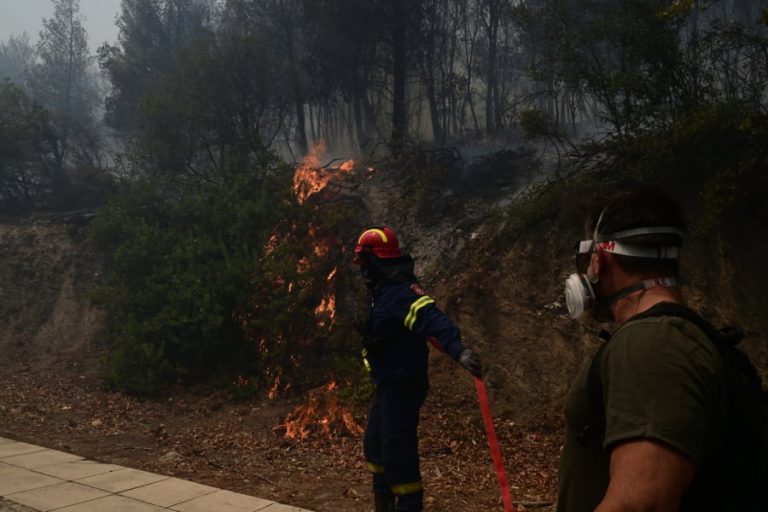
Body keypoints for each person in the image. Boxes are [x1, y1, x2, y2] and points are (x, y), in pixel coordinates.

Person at [558, 188, 739, 511]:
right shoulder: (676, 335)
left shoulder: (652, 343)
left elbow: (640, 503)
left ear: (599, 260)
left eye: (588, 259)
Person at [353, 226, 482, 512]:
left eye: (365, 261)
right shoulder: (382, 290)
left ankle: (408, 505)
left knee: (398, 458)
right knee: (375, 450)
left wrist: (458, 350)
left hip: (402, 385)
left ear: (378, 260)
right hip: (386, 384)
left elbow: (430, 318)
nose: (361, 269)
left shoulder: (401, 291)